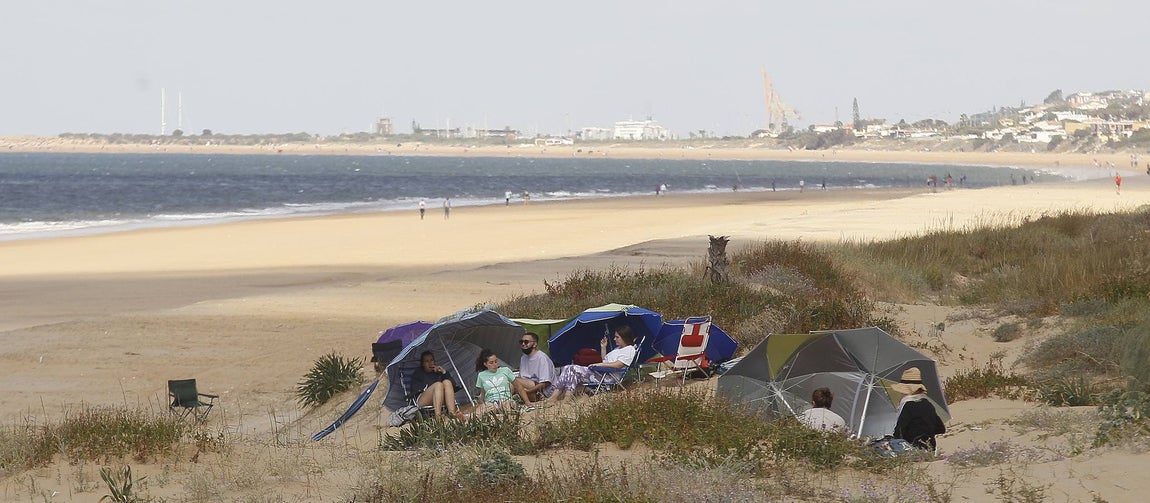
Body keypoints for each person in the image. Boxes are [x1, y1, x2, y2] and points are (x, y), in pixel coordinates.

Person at [548, 326, 637, 402]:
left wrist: (598, 365)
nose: (614, 339)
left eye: (617, 337)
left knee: (573, 369)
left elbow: (618, 365)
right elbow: (605, 360)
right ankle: (554, 396)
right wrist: (603, 348)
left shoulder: (629, 350)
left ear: (624, 337)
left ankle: (567, 398)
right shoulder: (618, 349)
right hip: (603, 373)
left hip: (609, 377)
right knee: (567, 367)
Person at [890, 367, 945, 451]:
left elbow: (899, 432)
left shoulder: (907, 405)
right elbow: (940, 428)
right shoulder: (927, 404)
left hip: (912, 449)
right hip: (931, 449)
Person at [408, 351, 463, 420]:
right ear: (423, 364)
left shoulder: (438, 372)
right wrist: (431, 386)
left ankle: (452, 414)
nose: (430, 363)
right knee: (438, 385)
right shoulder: (418, 373)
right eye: (427, 361)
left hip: (439, 398)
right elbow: (415, 389)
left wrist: (444, 372)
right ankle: (438, 417)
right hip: (423, 399)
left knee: (447, 382)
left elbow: (453, 385)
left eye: (431, 360)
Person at [513, 332, 557, 406]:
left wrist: (528, 391)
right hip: (528, 387)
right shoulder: (523, 358)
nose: (523, 344)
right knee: (510, 381)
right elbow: (522, 378)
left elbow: (545, 383)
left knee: (513, 380)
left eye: (526, 342)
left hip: (543, 391)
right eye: (521, 342)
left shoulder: (542, 358)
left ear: (535, 344)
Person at [473, 349, 516, 416]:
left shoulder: (505, 370)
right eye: (491, 363)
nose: (495, 364)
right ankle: (465, 418)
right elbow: (483, 393)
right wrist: (481, 403)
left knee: (506, 405)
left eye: (496, 362)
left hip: (505, 399)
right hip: (491, 401)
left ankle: (507, 413)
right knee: (480, 411)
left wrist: (527, 401)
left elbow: (518, 385)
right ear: (485, 364)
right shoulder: (481, 375)